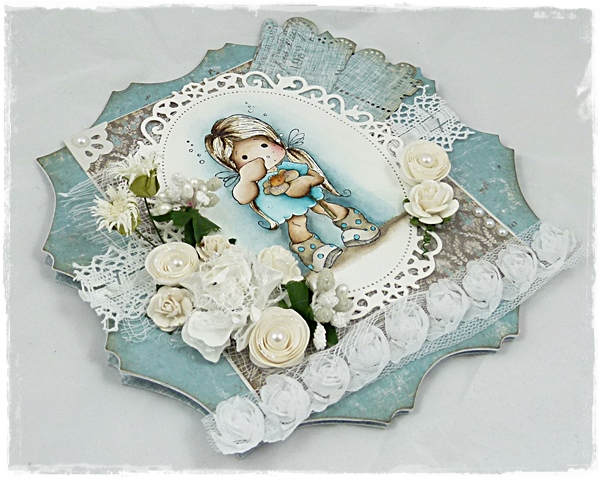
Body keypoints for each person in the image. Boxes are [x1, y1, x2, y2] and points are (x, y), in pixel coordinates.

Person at [205, 114, 380, 271]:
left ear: (275, 141)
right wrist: (247, 178)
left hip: (308, 196)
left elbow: (315, 176)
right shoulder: (250, 183)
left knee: (324, 207)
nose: (261, 157)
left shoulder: (288, 168)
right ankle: (314, 253)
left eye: (264, 145)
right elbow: (243, 197)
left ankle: (358, 227)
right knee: (297, 223)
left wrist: (307, 181)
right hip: (281, 206)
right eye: (244, 157)